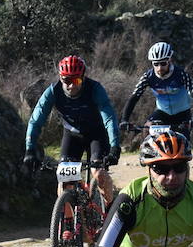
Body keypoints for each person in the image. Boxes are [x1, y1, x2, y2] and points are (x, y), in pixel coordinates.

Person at [23, 55, 121, 204]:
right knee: (64, 180)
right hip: (72, 135)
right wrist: (30, 150)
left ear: (83, 78)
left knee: (98, 172)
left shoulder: (95, 89)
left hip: (97, 134)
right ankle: (66, 221)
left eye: (76, 80)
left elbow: (109, 118)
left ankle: (109, 212)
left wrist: (115, 146)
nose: (71, 86)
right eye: (67, 80)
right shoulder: (53, 92)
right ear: (61, 78)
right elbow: (36, 120)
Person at [119, 41, 193, 139]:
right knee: (147, 132)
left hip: (182, 113)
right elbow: (134, 97)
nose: (159, 68)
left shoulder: (180, 74)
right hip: (162, 113)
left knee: (182, 145)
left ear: (169, 60)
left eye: (163, 63)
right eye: (156, 64)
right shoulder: (148, 76)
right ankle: (148, 154)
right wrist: (124, 119)